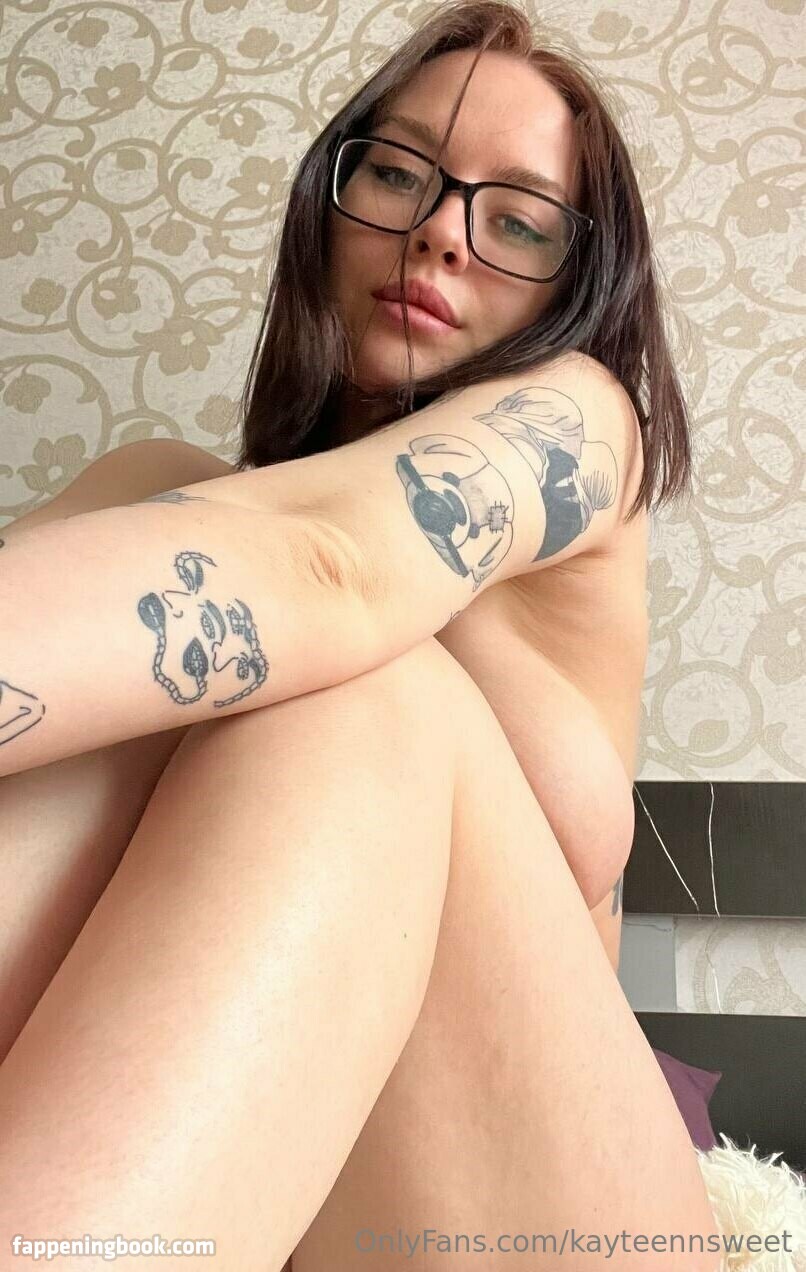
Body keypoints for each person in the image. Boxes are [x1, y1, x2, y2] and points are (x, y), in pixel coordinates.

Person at [0, 2, 720, 1268]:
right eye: (396, 173)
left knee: (362, 690)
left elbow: (334, 565)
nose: (439, 230)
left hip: (538, 1193)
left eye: (517, 221)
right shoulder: (181, 501)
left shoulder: (582, 426)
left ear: (576, 281)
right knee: (153, 490)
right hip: (235, 1180)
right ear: (326, 207)